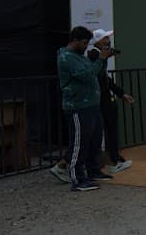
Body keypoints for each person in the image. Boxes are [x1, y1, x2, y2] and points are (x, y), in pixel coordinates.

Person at [52, 25, 111, 192]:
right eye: (84, 43)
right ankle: (78, 179)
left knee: (94, 140)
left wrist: (103, 61)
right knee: (79, 143)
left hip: (91, 104)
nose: (86, 46)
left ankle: (93, 170)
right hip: (78, 106)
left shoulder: (80, 56)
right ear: (75, 41)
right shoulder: (66, 57)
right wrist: (100, 59)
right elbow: (85, 75)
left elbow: (94, 73)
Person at [88, 30, 134, 174]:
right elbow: (100, 79)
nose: (108, 40)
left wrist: (121, 93)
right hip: (101, 98)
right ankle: (112, 160)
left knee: (108, 128)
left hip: (104, 97)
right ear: (99, 41)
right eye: (106, 38)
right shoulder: (95, 55)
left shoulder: (99, 56)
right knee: (107, 128)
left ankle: (112, 158)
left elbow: (106, 79)